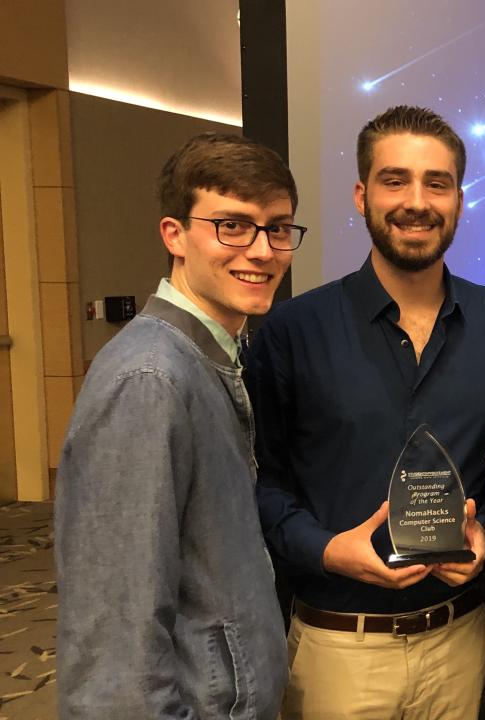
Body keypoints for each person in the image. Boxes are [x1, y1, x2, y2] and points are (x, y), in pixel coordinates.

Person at [249, 105, 485, 719]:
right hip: (338, 649)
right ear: (361, 194)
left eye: (437, 183)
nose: (417, 201)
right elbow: (260, 483)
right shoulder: (290, 330)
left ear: (460, 199)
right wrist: (328, 551)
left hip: (463, 641)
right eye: (394, 180)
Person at [56, 133, 302, 719]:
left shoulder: (213, 357)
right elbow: (114, 643)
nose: (262, 250)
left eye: (278, 228)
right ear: (174, 234)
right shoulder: (151, 379)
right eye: (232, 226)